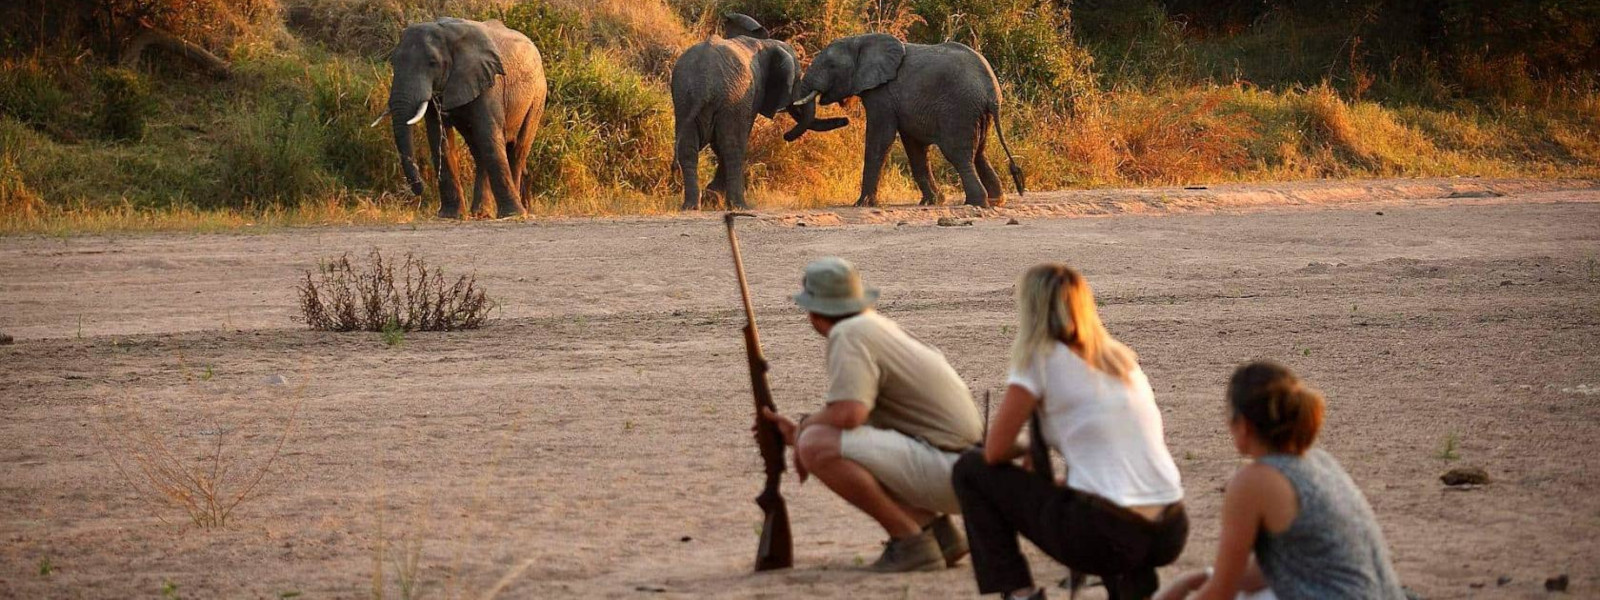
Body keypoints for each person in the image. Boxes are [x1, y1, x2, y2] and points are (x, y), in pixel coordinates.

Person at [953, 264, 1187, 600]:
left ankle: (1019, 593)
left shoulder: (1041, 359)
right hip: (1170, 528)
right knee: (1094, 500)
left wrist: (1023, 447)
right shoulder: (1121, 360)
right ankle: (1130, 587)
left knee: (970, 470)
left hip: (1112, 536)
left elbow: (994, 451)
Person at [760, 257, 983, 572]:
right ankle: (937, 532)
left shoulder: (849, 334)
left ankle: (910, 542)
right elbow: (859, 418)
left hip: (953, 472)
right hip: (965, 471)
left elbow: (850, 414)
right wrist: (799, 430)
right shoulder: (875, 326)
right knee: (817, 438)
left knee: (816, 445)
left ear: (814, 310)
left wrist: (803, 433)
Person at [1155, 362, 1406, 600]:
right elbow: (1267, 572)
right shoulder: (1318, 462)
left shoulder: (1253, 482)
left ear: (1244, 425)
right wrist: (1192, 580)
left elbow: (1221, 593)